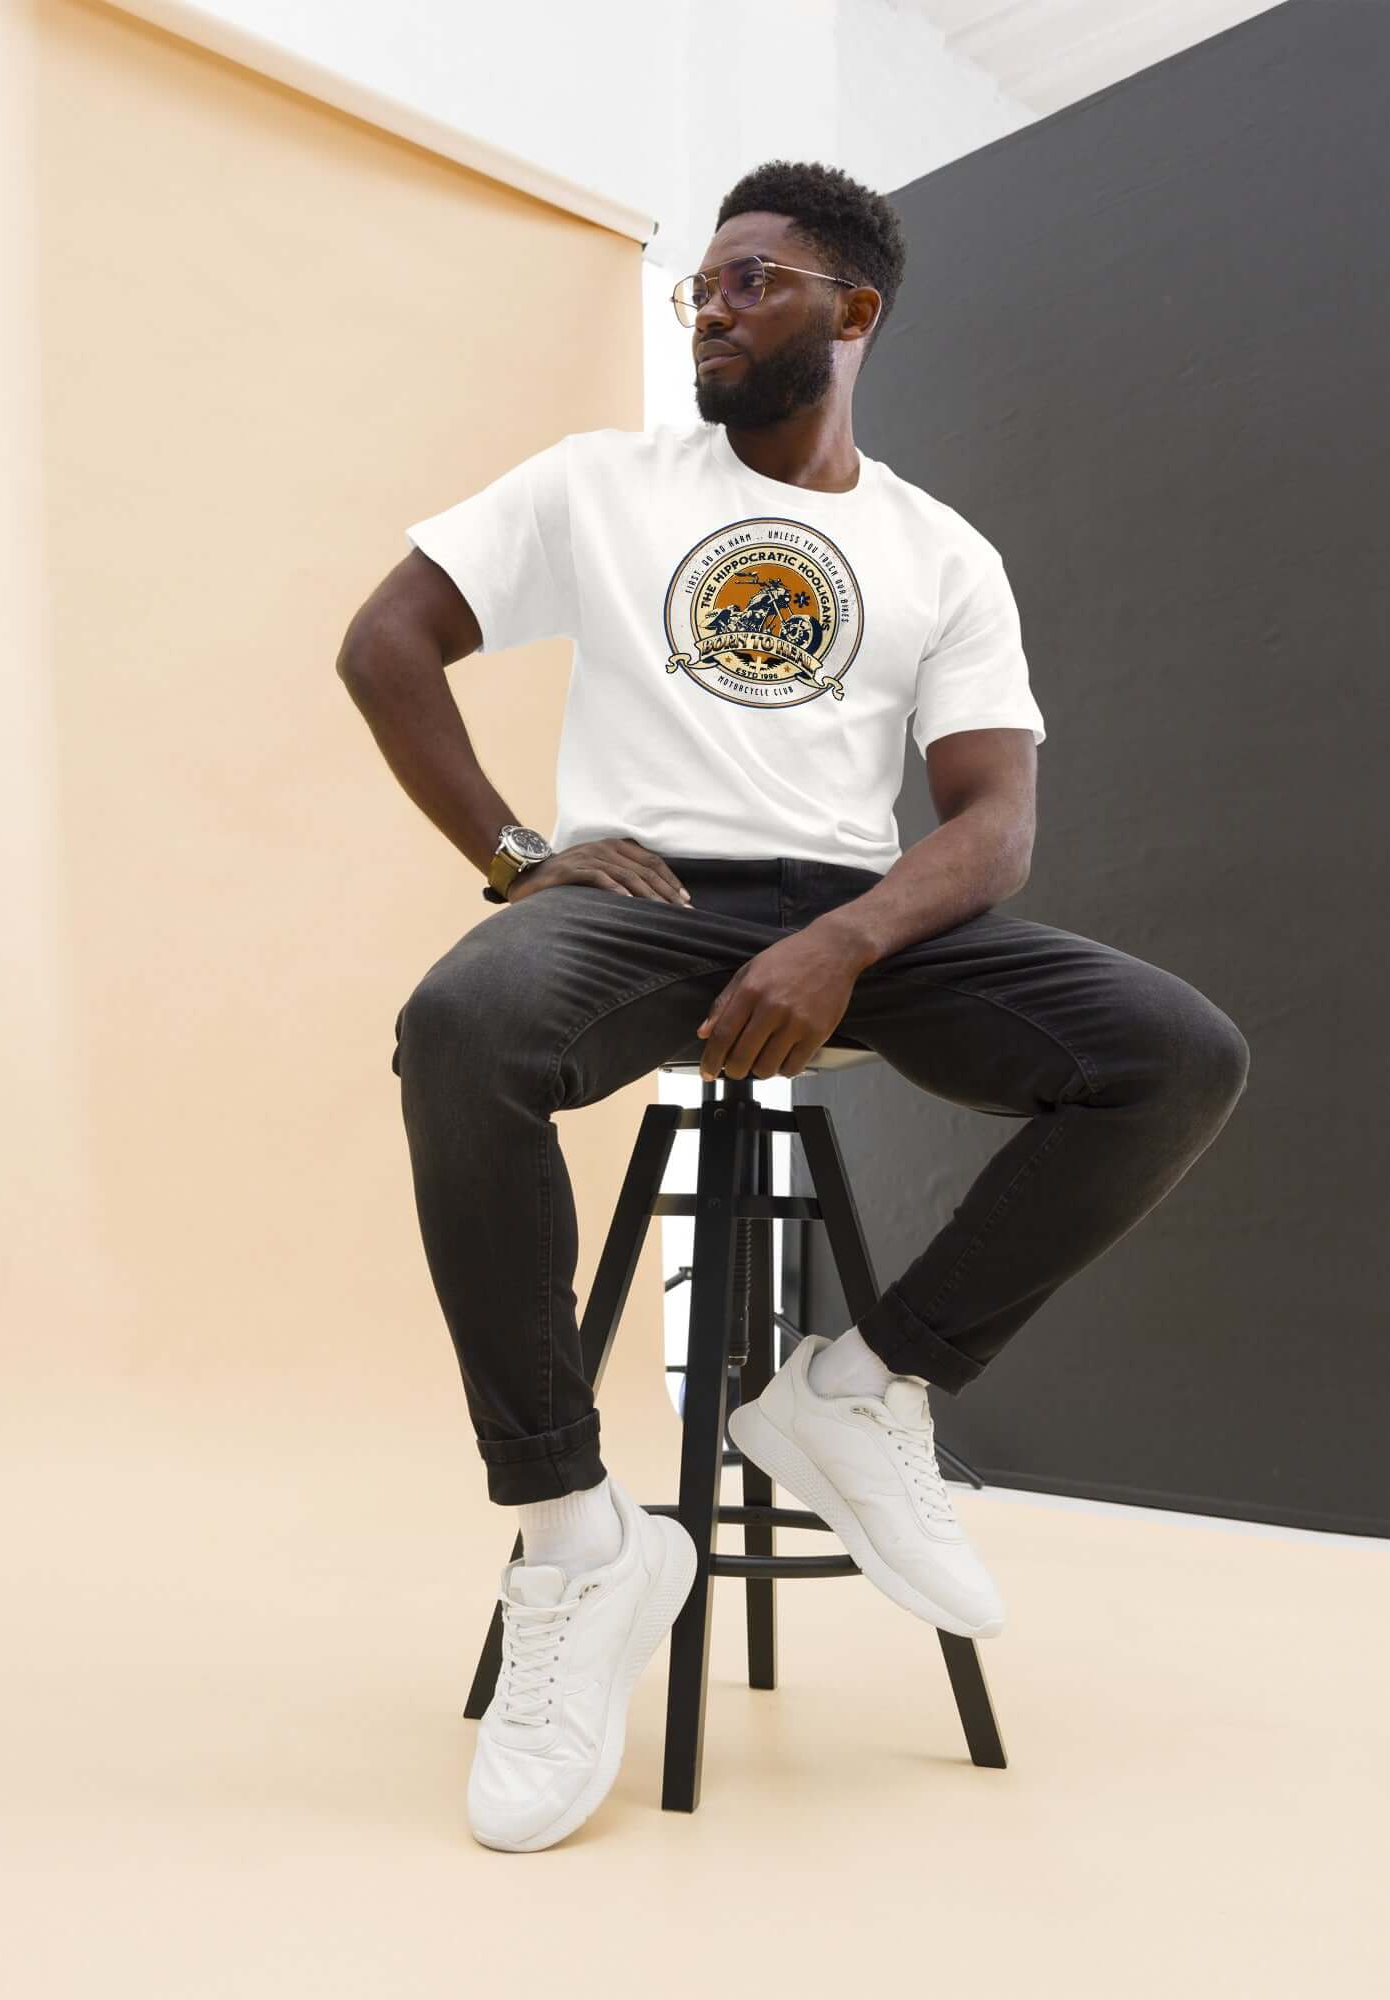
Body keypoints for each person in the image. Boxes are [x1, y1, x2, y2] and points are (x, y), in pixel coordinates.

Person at [338, 159, 1250, 1851]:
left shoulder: (935, 551)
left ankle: (858, 1389)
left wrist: (844, 944)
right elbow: (385, 641)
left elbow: (993, 824)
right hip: (646, 903)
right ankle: (575, 1541)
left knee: (1174, 1054)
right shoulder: (600, 486)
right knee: (461, 1029)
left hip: (859, 913)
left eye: (750, 280)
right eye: (700, 282)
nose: (710, 303)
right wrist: (522, 853)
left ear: (853, 310)